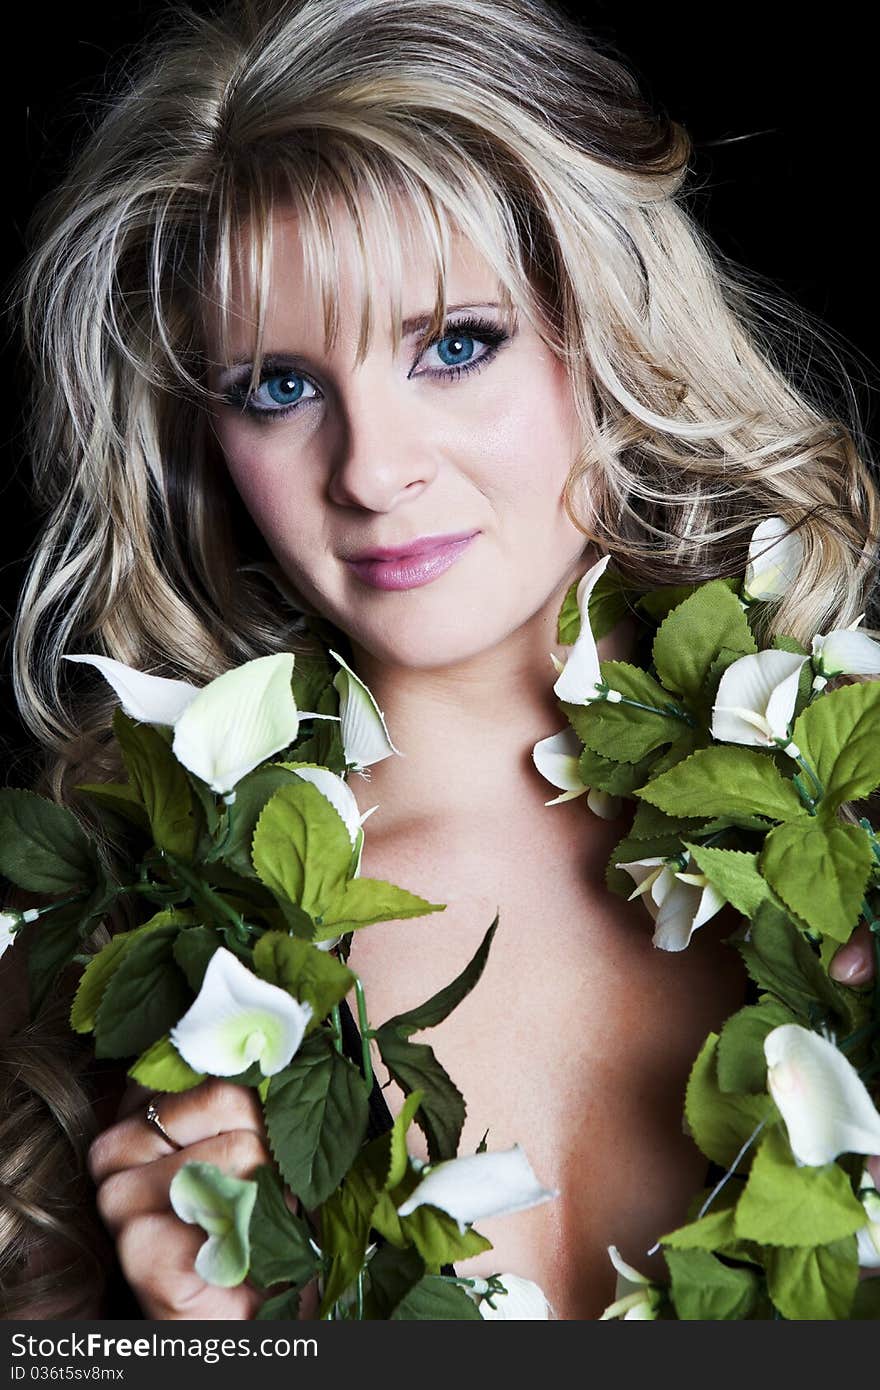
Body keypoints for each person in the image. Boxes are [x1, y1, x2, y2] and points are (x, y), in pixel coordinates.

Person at [2, 0, 879, 1321]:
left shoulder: (856, 822)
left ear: (608, 326)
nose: (370, 470)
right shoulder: (108, 946)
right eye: (277, 386)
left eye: (455, 344)